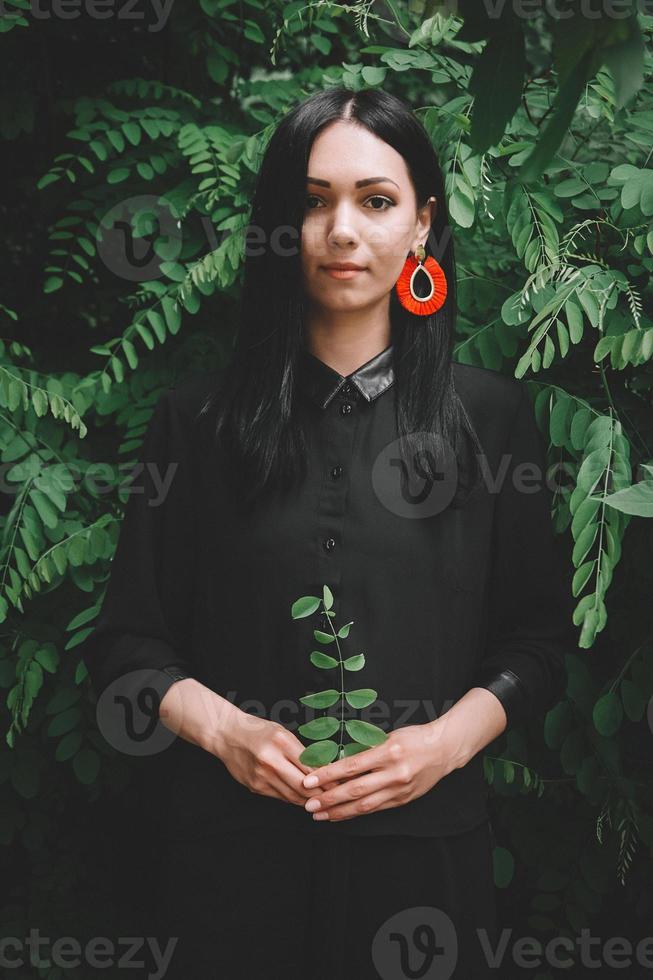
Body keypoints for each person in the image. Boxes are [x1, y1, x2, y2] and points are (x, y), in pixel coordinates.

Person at [82, 86, 576, 979]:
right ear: (279, 225)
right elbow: (127, 645)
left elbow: (536, 644)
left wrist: (444, 744)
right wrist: (226, 733)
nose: (342, 230)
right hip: (227, 870)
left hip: (424, 869)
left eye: (375, 201)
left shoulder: (490, 421)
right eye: (312, 203)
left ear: (422, 224)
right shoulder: (196, 421)